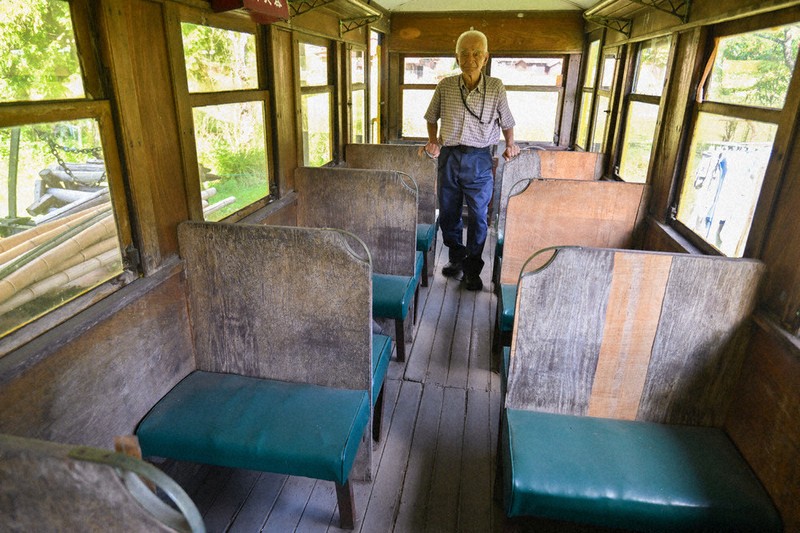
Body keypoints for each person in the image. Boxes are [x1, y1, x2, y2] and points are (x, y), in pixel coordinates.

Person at [423, 29, 519, 291]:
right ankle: (457, 258)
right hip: (450, 157)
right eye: (464, 53)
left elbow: (507, 122)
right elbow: (431, 117)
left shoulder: (496, 87)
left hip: (480, 159)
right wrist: (434, 140)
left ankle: (472, 269)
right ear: (456, 57)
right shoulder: (445, 85)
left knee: (478, 217)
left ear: (485, 58)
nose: (470, 58)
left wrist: (510, 145)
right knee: (449, 213)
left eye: (476, 53)